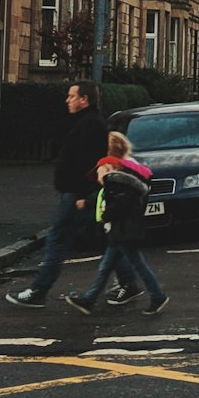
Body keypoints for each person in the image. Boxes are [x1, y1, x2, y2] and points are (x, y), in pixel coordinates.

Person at [6, 84, 137, 309]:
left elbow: (89, 164)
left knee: (58, 240)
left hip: (76, 194)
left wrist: (82, 195)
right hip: (77, 193)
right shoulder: (88, 122)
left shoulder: (90, 125)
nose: (67, 100)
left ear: (84, 99)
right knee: (106, 239)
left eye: (72, 96)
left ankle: (39, 290)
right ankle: (129, 283)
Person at [64, 132, 168, 318]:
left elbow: (121, 204)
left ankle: (157, 295)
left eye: (100, 170)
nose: (97, 174)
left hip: (124, 232)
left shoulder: (119, 183)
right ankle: (89, 299)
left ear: (109, 167)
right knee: (107, 267)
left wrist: (106, 215)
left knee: (138, 266)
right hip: (120, 232)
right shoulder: (121, 181)